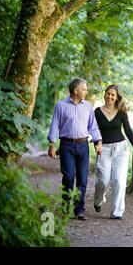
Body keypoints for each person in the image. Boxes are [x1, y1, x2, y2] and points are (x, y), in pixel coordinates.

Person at [47, 78, 103, 220]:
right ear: (76, 91)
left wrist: (98, 142)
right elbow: (55, 125)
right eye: (84, 89)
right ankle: (65, 206)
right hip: (66, 146)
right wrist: (52, 145)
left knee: (82, 179)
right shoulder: (61, 106)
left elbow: (93, 126)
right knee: (69, 176)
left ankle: (79, 210)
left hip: (83, 145)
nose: (86, 91)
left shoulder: (88, 106)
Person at [93, 84, 133, 220]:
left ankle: (116, 212)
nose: (109, 96)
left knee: (119, 181)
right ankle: (98, 201)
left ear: (116, 98)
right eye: (108, 94)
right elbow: (94, 130)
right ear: (104, 95)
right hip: (103, 149)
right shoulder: (97, 112)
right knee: (103, 180)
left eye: (112, 95)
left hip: (121, 149)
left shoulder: (121, 112)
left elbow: (128, 130)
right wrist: (96, 144)